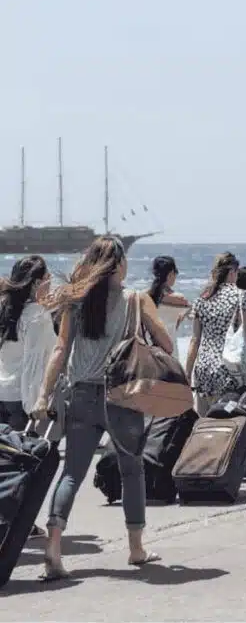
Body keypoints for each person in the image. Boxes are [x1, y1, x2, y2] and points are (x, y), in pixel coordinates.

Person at [33, 236, 173, 580]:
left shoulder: (75, 300)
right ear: (121, 264)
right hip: (123, 396)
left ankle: (53, 546)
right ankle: (136, 548)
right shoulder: (135, 300)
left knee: (71, 473)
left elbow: (60, 350)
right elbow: (166, 344)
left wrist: (43, 395)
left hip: (81, 395)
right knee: (132, 471)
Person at [185, 252, 246, 416]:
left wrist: (187, 373)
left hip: (203, 368)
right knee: (226, 422)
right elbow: (242, 335)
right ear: (233, 272)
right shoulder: (239, 296)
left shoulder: (202, 298)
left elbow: (195, 340)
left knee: (203, 423)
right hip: (227, 368)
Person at [0, 256, 54, 431]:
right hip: (21, 400)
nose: (51, 281)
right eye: (48, 277)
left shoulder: (5, 308)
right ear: (37, 283)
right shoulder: (37, 316)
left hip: (3, 393)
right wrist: (34, 407)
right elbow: (34, 364)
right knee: (30, 454)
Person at [148, 256, 190, 348]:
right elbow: (177, 323)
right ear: (171, 273)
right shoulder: (180, 299)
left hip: (148, 346)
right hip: (169, 346)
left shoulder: (144, 296)